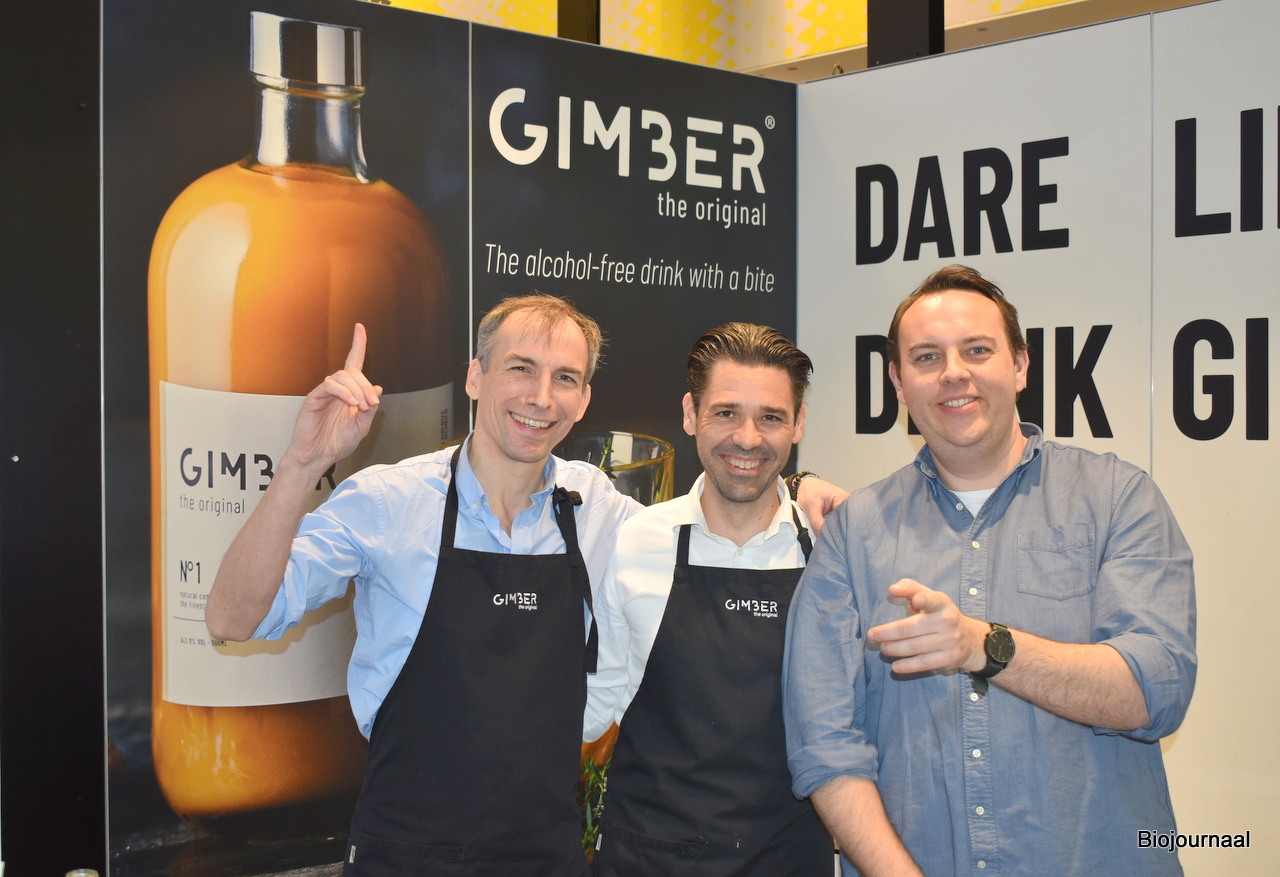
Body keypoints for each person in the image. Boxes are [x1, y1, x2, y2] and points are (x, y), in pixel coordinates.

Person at [206, 294, 845, 875]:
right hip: (406, 855)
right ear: (475, 377)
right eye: (521, 368)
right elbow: (233, 618)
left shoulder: (597, 509)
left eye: (565, 378)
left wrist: (795, 487)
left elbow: (717, 513)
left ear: (584, 400)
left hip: (547, 858)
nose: (541, 397)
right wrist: (302, 464)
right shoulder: (387, 501)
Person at [782, 265, 1197, 876]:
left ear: (1020, 365)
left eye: (977, 350)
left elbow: (1156, 689)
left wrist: (985, 647)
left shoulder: (1118, 498)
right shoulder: (854, 533)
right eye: (926, 357)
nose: (953, 372)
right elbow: (826, 746)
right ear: (898, 382)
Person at [586, 323, 838, 876]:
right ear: (689, 413)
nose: (747, 439)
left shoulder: (832, 549)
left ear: (798, 423)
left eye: (770, 417)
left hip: (789, 860)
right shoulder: (635, 541)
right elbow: (591, 707)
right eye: (725, 413)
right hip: (649, 859)